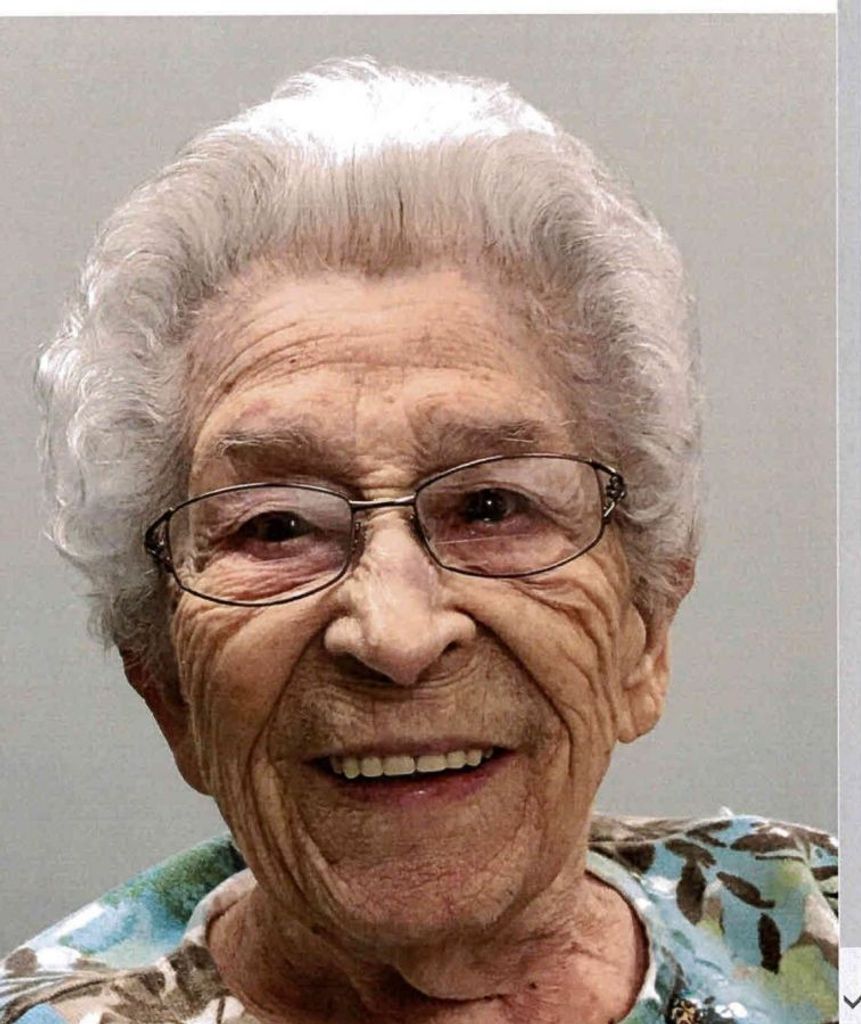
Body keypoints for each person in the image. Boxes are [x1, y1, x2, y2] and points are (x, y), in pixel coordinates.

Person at [0, 59, 836, 1024]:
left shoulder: (817, 921)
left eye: (490, 506)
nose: (395, 637)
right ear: (168, 691)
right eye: (277, 526)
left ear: (643, 633)